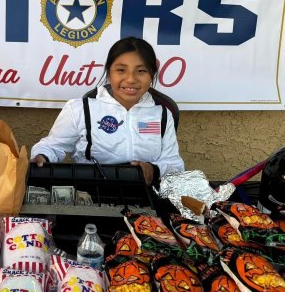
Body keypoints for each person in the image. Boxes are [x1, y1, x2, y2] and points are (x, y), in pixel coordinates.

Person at [30, 37, 185, 186]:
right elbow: (52, 146)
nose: (131, 79)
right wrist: (41, 156)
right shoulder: (80, 109)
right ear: (109, 72)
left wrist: (154, 170)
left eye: (141, 71)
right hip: (92, 193)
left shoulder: (163, 114)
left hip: (145, 196)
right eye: (121, 70)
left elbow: (174, 165)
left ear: (152, 74)